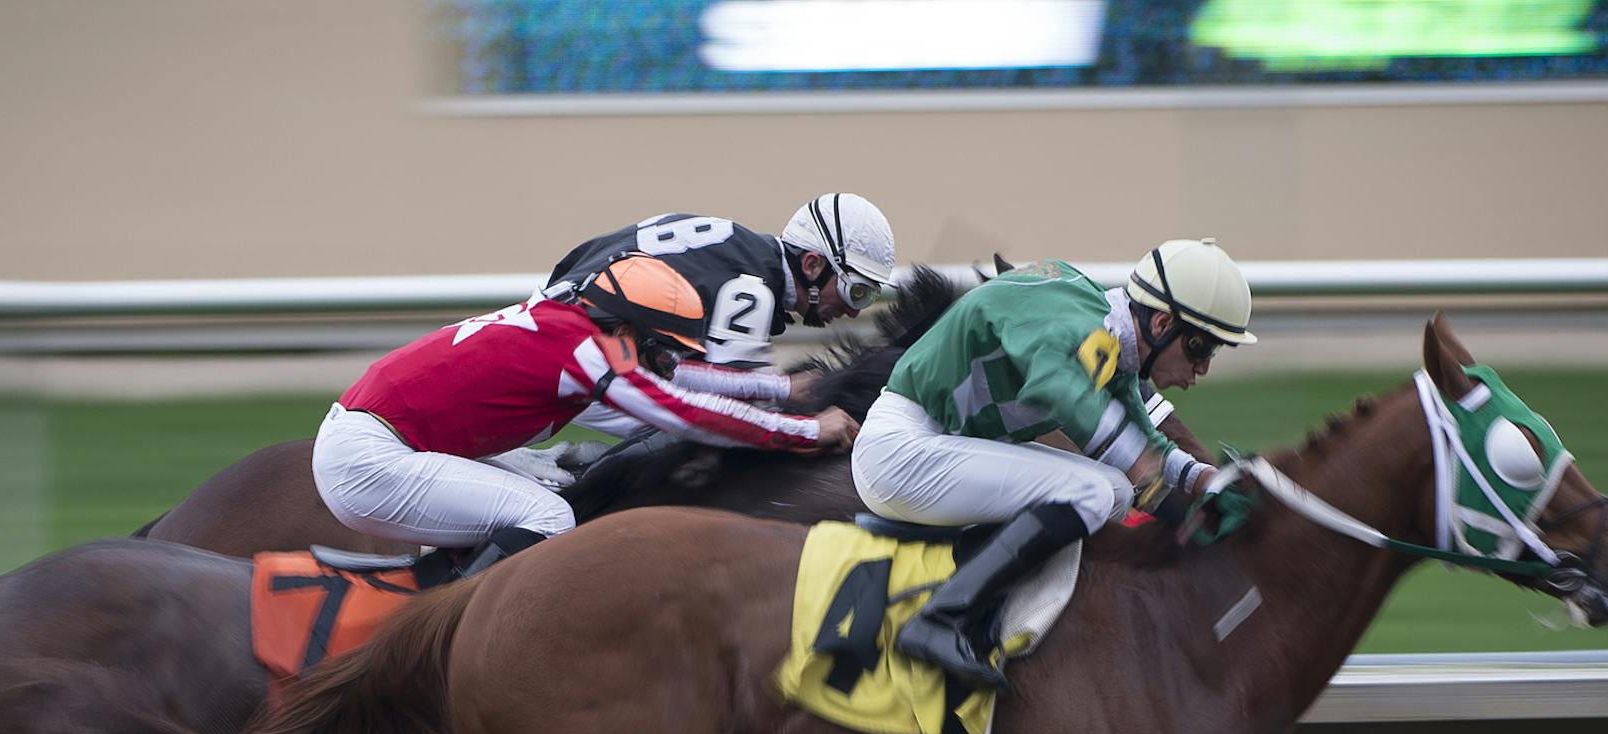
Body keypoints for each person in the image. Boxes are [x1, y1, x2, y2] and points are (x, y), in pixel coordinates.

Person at [851, 238, 1258, 684]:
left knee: (1117, 491)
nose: (1202, 369)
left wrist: (1204, 481)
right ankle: (941, 616)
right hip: (902, 452)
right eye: (1201, 348)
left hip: (939, 446)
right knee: (1094, 489)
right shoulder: (1075, 322)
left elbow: (1144, 438)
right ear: (1162, 323)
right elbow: (1058, 389)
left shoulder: (1106, 336)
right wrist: (1147, 471)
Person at [312, 254, 858, 573]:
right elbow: (679, 410)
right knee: (552, 520)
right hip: (372, 460)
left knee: (557, 490)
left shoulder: (575, 326)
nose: (668, 357)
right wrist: (805, 430)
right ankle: (442, 644)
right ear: (627, 327)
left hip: (386, 441)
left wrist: (780, 387)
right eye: (660, 344)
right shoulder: (581, 348)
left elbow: (667, 379)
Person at [542, 194, 898, 432]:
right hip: (561, 365)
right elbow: (735, 405)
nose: (854, 312)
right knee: (718, 429)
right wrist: (786, 391)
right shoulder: (753, 287)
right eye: (857, 292)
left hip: (543, 327)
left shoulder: (738, 248)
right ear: (812, 263)